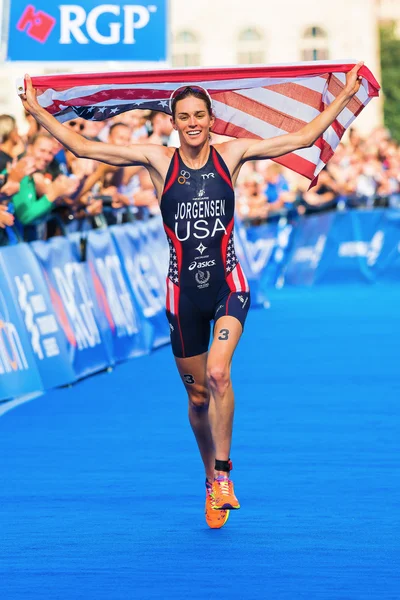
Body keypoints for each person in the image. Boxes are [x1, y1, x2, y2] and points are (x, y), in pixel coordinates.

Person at [20, 63, 364, 529]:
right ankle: (208, 477)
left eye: (200, 114)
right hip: (182, 296)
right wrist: (38, 112)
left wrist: (342, 99)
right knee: (199, 397)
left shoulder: (233, 153)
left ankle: (224, 474)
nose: (194, 123)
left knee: (220, 374)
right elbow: (85, 147)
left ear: (210, 116)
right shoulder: (160, 160)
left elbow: (299, 140)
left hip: (229, 284)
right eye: (185, 116)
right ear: (174, 120)